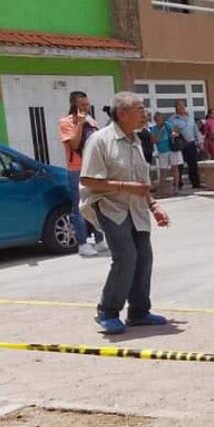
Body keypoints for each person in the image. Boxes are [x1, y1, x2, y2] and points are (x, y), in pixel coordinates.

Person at [79, 93, 170, 335]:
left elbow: (141, 180)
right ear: (122, 113)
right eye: (139, 109)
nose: (144, 114)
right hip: (110, 206)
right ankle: (107, 311)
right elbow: (88, 180)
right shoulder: (100, 140)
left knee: (144, 257)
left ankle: (139, 311)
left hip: (136, 208)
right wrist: (124, 187)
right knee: (125, 257)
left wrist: (154, 206)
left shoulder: (138, 139)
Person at [59, 92, 108, 258]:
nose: (85, 108)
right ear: (74, 105)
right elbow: (73, 144)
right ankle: (82, 243)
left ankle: (100, 240)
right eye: (82, 105)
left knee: (96, 204)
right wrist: (79, 124)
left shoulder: (91, 120)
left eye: (87, 104)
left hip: (93, 168)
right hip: (76, 170)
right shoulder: (65, 122)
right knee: (79, 207)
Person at [170, 100, 202, 190]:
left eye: (183, 106)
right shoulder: (172, 119)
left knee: (193, 164)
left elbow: (195, 130)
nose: (181, 107)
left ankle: (196, 183)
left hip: (191, 144)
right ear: (175, 108)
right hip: (180, 145)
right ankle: (178, 183)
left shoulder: (190, 118)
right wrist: (175, 134)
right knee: (179, 165)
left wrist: (199, 142)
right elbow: (172, 132)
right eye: (179, 106)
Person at [151, 112, 183, 194]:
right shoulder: (154, 129)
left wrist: (174, 134)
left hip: (172, 149)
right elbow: (154, 140)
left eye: (159, 119)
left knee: (175, 168)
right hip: (162, 151)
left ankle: (176, 187)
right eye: (156, 119)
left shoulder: (168, 125)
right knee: (163, 170)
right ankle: (162, 188)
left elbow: (176, 132)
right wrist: (160, 131)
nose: (158, 121)